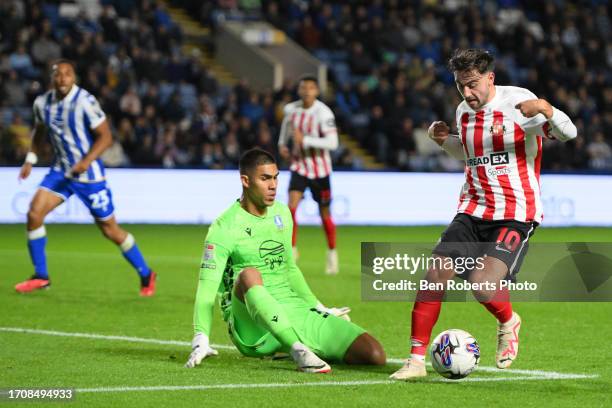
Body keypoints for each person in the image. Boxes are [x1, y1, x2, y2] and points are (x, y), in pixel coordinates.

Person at [390, 49, 577, 380]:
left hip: (515, 212)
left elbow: (568, 134)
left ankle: (508, 321)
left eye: (473, 84)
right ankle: (416, 360)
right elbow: (468, 154)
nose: (467, 93)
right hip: (472, 208)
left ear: (490, 78)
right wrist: (443, 140)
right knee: (436, 274)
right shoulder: (463, 111)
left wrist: (547, 109)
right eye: (461, 86)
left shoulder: (520, 103)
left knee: (481, 283)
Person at [185, 148, 385, 372]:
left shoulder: (282, 213)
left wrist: (319, 307)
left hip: (292, 307)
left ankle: (293, 343)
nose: (273, 186)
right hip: (251, 327)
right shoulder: (224, 226)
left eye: (275, 178)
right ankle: (299, 350)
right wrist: (200, 337)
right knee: (249, 274)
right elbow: (206, 287)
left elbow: (289, 268)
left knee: (373, 354)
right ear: (245, 181)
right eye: (265, 178)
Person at [15, 60, 156, 296]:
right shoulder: (42, 103)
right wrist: (31, 158)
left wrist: (87, 161)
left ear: (74, 78)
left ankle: (146, 273)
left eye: (68, 74)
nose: (63, 79)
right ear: (53, 78)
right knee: (34, 213)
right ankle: (41, 275)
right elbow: (39, 132)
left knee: (110, 230)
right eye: (59, 75)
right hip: (61, 171)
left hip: (89, 176)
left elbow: (105, 137)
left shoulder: (85, 101)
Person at [278, 75, 340, 274]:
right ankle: (292, 251)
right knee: (291, 207)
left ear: (317, 91)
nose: (306, 91)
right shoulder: (291, 110)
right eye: (303, 87)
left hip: (320, 171)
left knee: (324, 214)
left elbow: (333, 143)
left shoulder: (324, 113)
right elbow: (286, 130)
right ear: (299, 90)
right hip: (299, 166)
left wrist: (305, 141)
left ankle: (332, 253)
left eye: (310, 88)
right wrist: (282, 146)